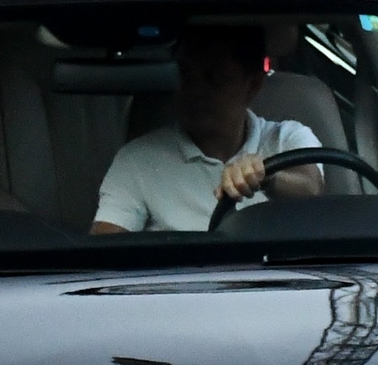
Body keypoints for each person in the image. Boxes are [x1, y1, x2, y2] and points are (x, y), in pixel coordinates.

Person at [91, 24, 325, 233]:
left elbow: (311, 189)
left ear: (253, 85)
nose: (195, 90)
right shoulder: (137, 160)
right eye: (186, 75)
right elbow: (104, 254)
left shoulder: (288, 138)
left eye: (215, 77)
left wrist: (267, 176)